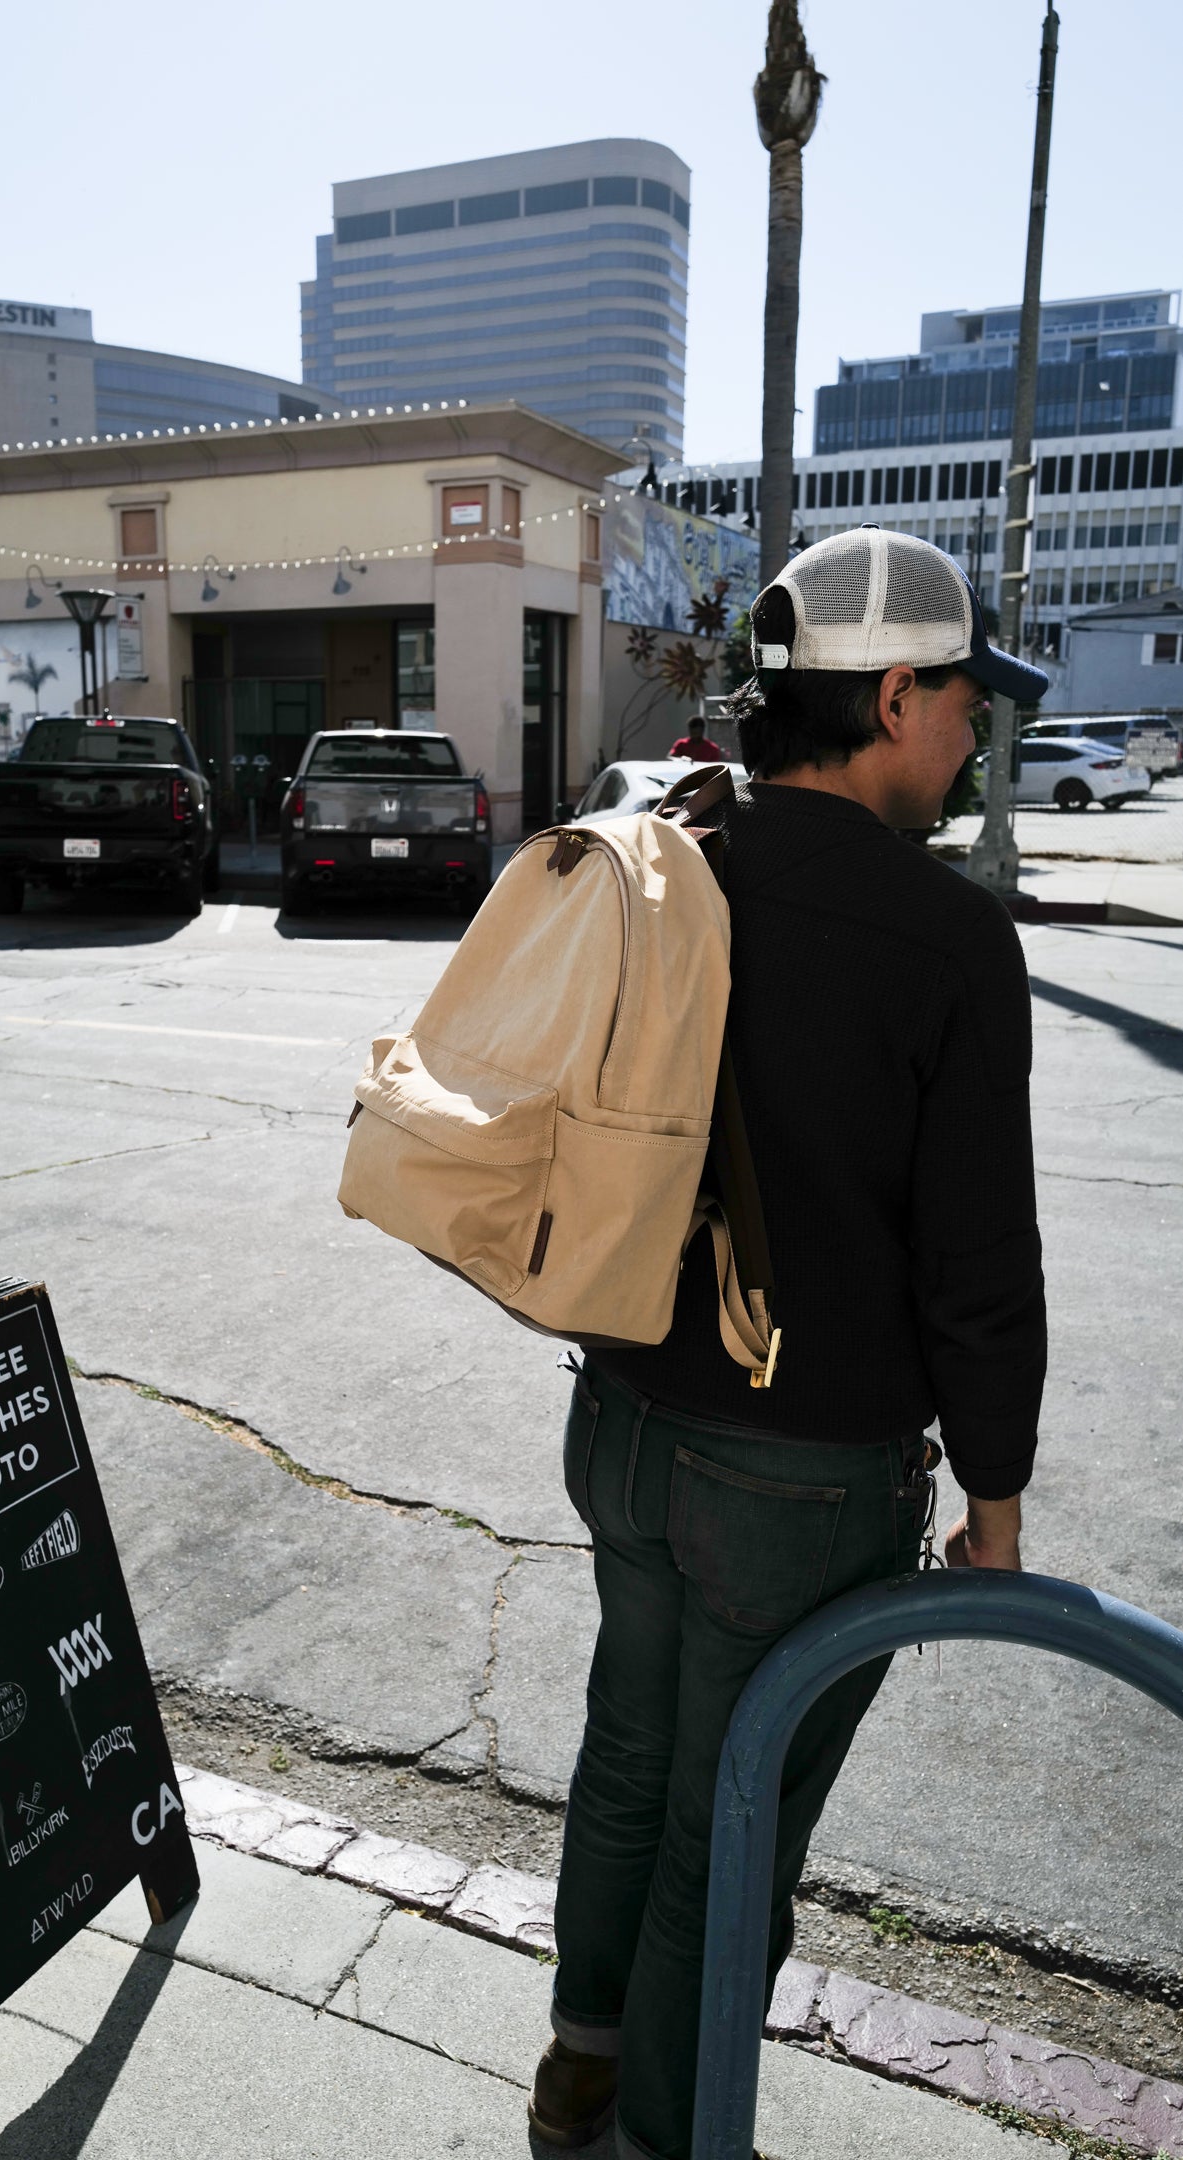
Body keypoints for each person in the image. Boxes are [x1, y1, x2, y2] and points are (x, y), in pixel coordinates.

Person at [529, 529, 1050, 2160]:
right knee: (728, 1820)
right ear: (892, 696)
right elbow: (976, 1262)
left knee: (629, 1756)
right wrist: (995, 1498)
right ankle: (669, 2136)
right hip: (800, 1472)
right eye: (962, 698)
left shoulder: (668, 854)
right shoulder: (943, 935)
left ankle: (580, 2069)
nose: (972, 732)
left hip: (621, 1416)